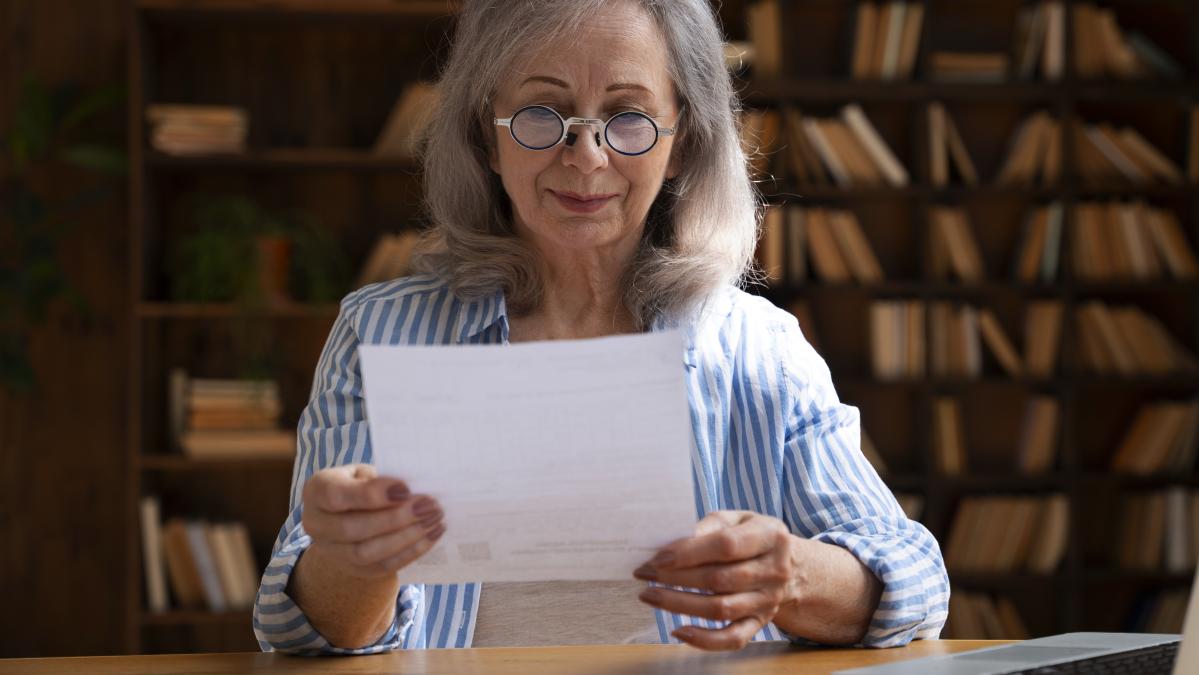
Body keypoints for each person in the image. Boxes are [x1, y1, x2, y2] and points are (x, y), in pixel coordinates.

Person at [253, 0, 949, 654]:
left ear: (680, 144)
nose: (585, 157)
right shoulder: (381, 333)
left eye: (627, 117)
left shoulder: (759, 351)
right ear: (486, 140)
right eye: (541, 112)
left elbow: (919, 583)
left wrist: (793, 573)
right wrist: (351, 559)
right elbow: (299, 630)